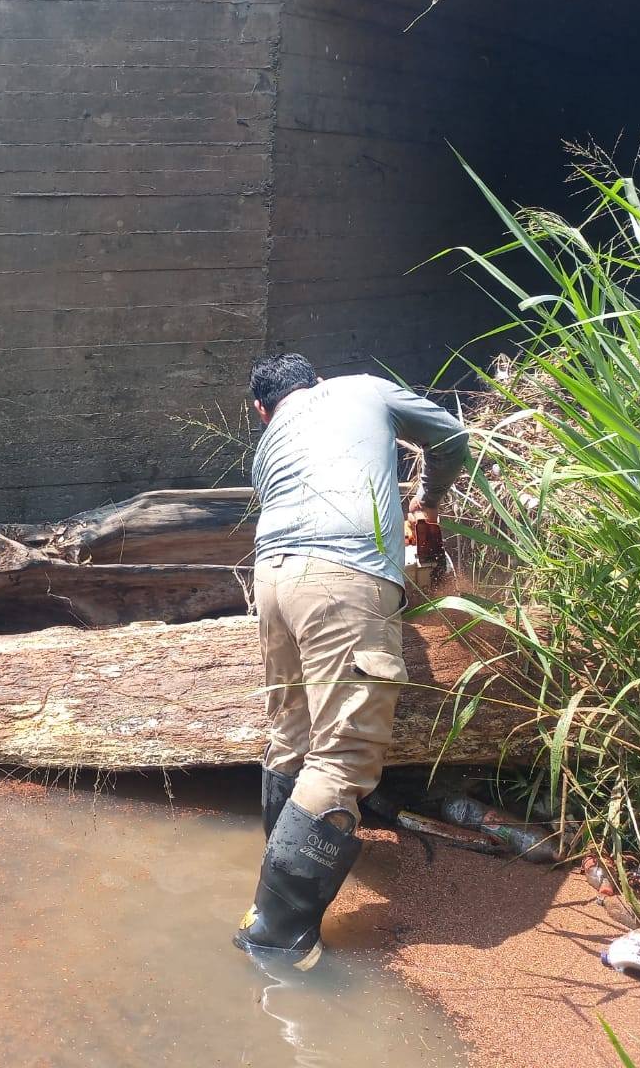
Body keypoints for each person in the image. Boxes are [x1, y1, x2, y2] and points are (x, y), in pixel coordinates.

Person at [233, 352, 469, 968]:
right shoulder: (364, 388)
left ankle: (271, 886)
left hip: (272, 579)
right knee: (343, 754)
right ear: (313, 379)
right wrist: (427, 498)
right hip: (345, 574)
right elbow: (452, 436)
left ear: (263, 410)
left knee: (292, 732)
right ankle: (276, 939)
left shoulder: (267, 449)